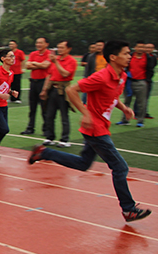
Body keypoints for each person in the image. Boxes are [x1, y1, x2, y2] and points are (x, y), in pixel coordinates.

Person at [29, 40, 151, 222]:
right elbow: (72, 90)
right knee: (120, 167)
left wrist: (124, 108)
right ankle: (128, 209)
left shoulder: (122, 75)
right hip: (95, 129)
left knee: (83, 163)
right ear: (113, 57)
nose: (129, 56)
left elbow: (113, 96)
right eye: (126, 53)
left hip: (101, 126)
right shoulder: (101, 77)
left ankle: (44, 152)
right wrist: (85, 113)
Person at [39, 40, 77, 147]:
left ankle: (65, 139)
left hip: (63, 89)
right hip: (53, 89)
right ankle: (49, 137)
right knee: (49, 115)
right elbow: (49, 75)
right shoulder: (55, 60)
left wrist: (56, 62)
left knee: (64, 115)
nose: (59, 50)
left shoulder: (71, 61)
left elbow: (65, 74)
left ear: (68, 49)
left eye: (62, 48)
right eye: (58, 47)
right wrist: (44, 90)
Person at [21, 37, 51, 135]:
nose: (38, 44)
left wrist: (34, 64)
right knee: (32, 108)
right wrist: (39, 64)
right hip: (33, 83)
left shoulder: (49, 54)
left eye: (41, 43)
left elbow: (45, 66)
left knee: (44, 108)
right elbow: (27, 65)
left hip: (43, 82)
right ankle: (30, 128)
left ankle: (46, 129)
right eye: (37, 42)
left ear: (46, 44)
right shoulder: (33, 54)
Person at [118, 41, 150, 127]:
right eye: (139, 47)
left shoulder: (148, 57)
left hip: (141, 81)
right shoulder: (130, 56)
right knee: (126, 101)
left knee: (141, 102)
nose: (140, 49)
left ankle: (140, 121)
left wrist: (147, 80)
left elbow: (150, 69)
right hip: (129, 81)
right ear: (135, 47)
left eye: (142, 47)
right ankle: (124, 120)